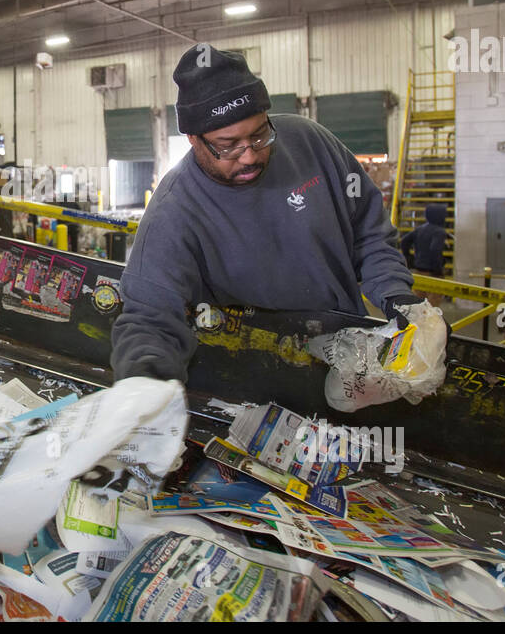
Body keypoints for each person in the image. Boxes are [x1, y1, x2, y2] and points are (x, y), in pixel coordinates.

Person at [110, 44, 430, 383]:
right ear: (192, 138)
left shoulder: (311, 143)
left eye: (260, 135)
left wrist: (397, 296)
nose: (248, 156)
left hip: (348, 354)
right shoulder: (174, 209)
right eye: (228, 144)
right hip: (256, 370)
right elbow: (149, 315)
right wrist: (145, 382)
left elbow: (370, 234)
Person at [400, 203, 453, 303]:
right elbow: (435, 249)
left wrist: (409, 258)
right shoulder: (439, 231)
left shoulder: (420, 229)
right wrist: (438, 269)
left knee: (419, 302)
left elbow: (404, 241)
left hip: (419, 271)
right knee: (433, 304)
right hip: (433, 273)